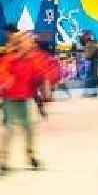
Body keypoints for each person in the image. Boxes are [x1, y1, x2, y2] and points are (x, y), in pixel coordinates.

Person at [0, 31, 50, 173]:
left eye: (29, 41)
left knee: (29, 128)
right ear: (19, 44)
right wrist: (6, 81)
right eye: (25, 41)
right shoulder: (10, 59)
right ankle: (3, 160)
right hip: (10, 100)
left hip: (24, 100)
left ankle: (31, 156)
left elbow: (40, 74)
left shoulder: (31, 60)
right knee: (9, 130)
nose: (29, 43)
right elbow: (2, 73)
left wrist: (46, 85)